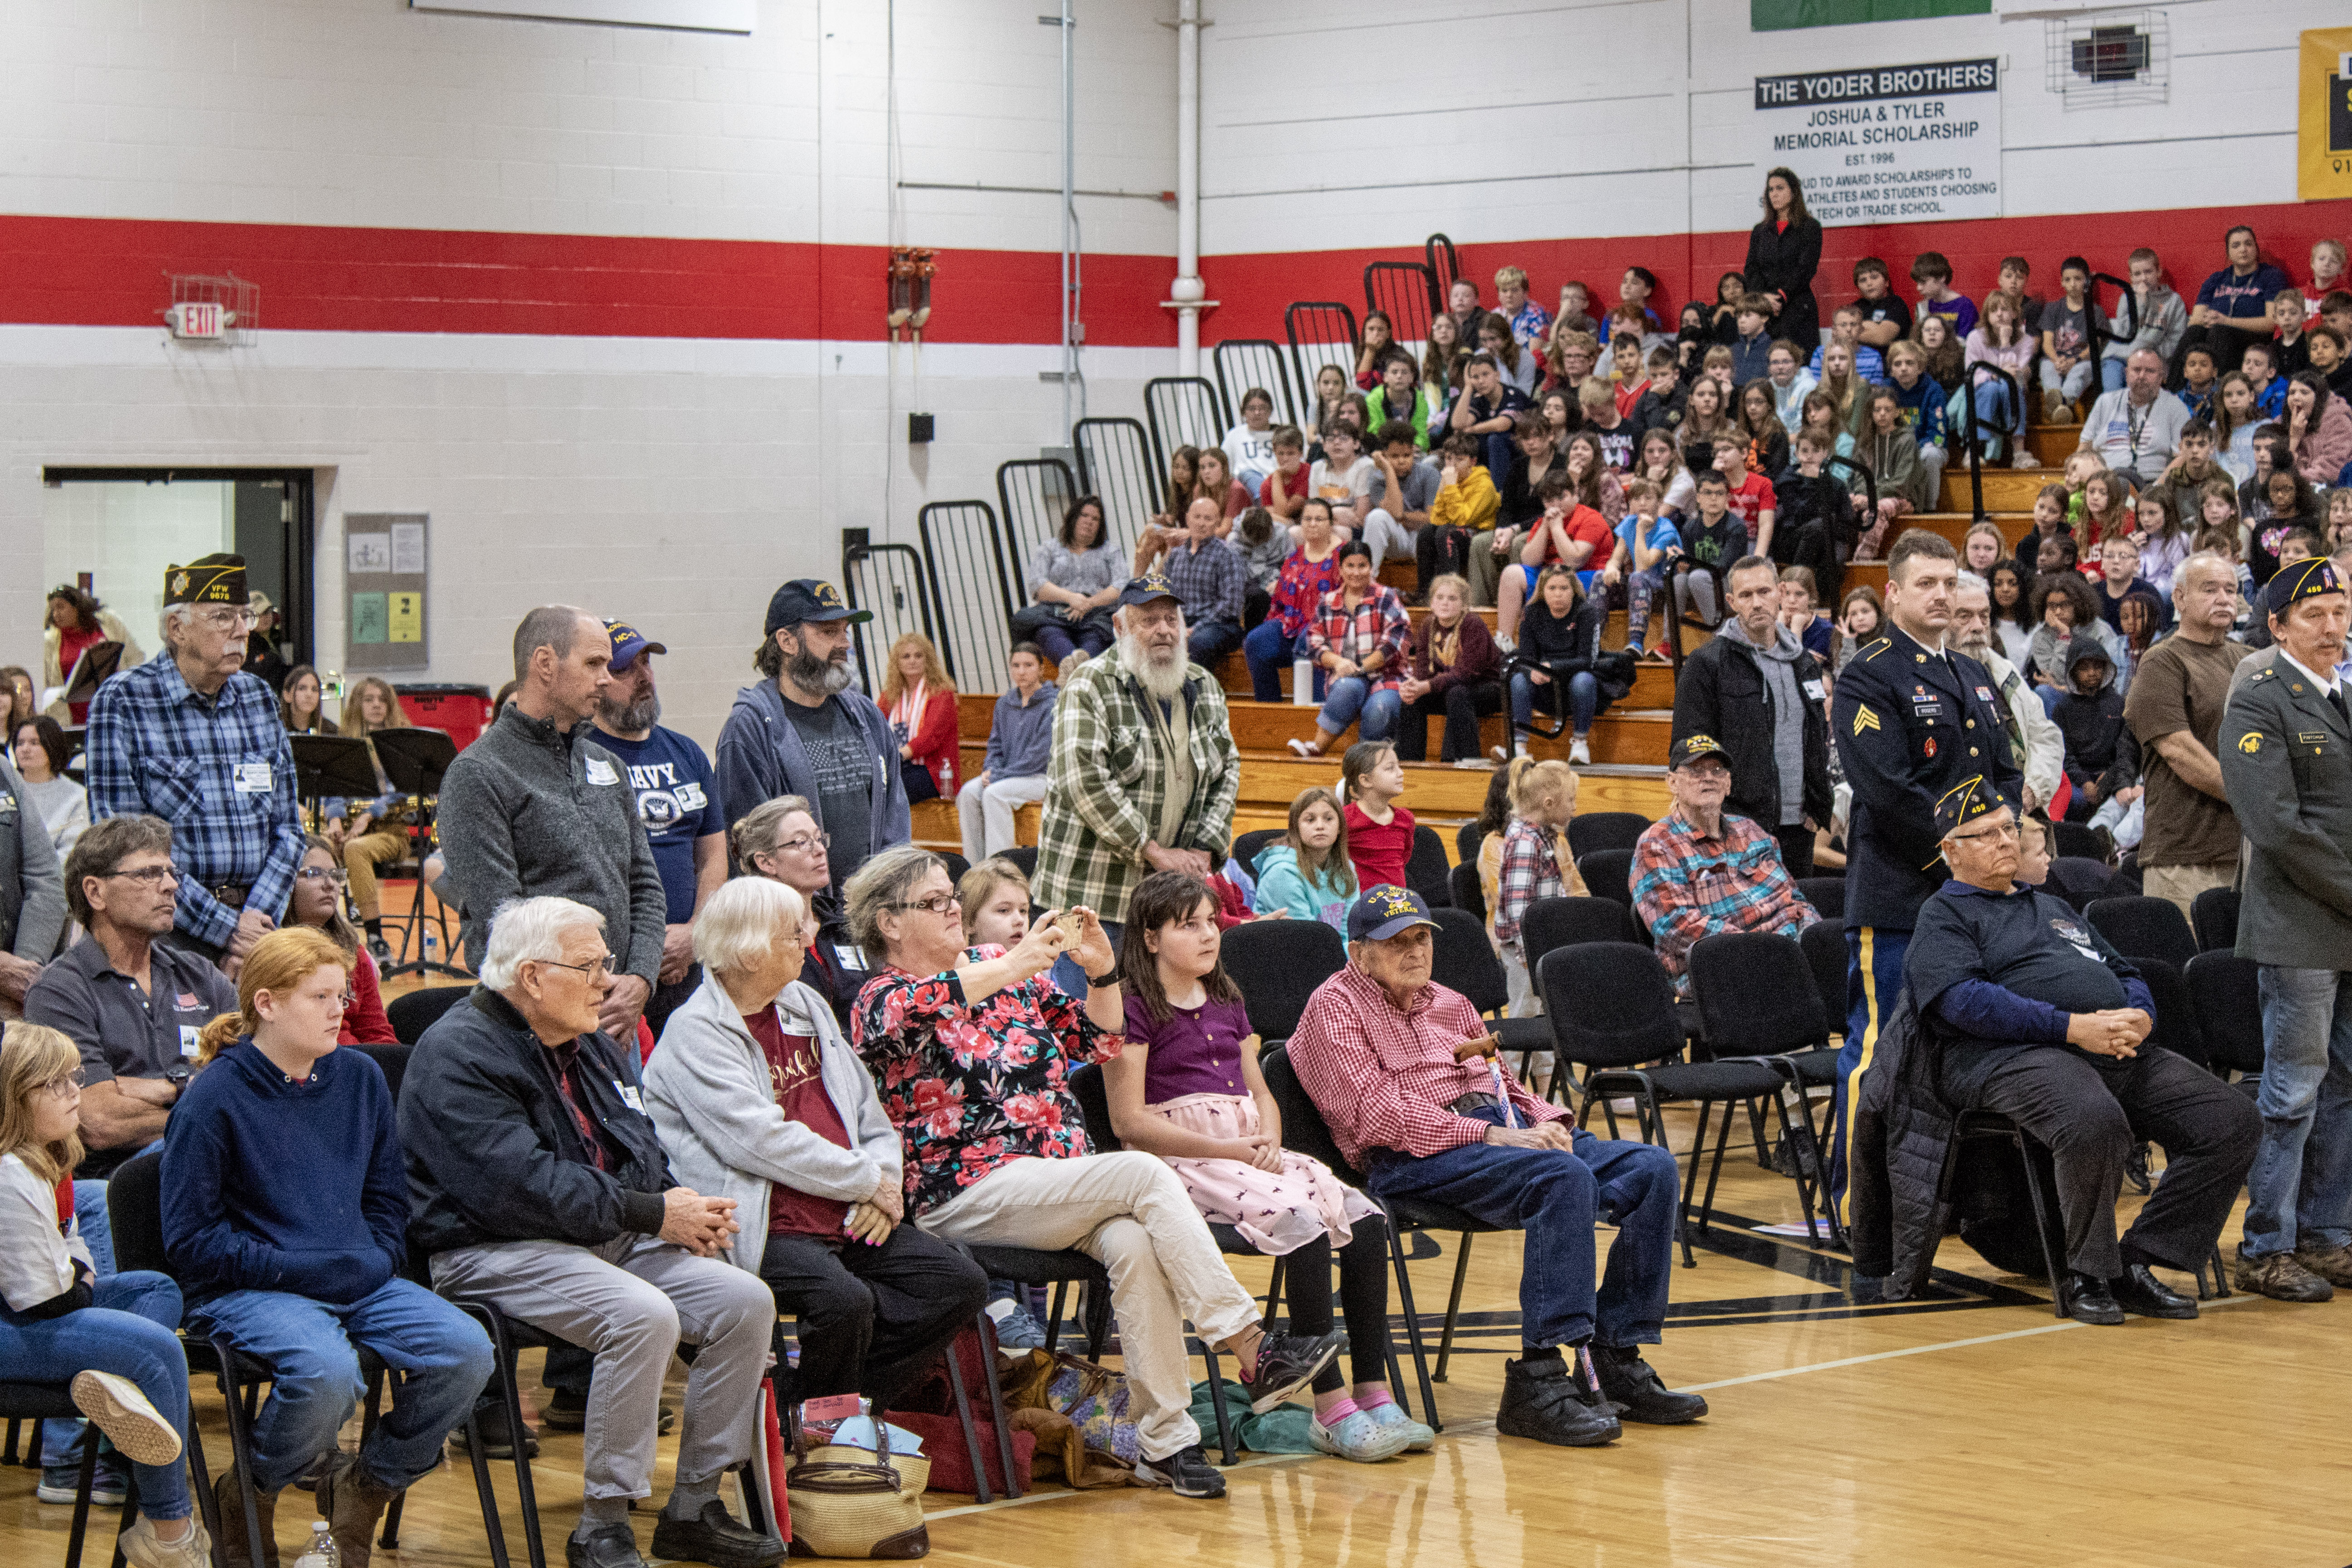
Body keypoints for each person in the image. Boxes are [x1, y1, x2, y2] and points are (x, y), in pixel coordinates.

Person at [844, 845, 1342, 1499]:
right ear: (889, 923)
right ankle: (1248, 1344)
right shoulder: (881, 999)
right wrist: (1022, 959)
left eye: (950, 897)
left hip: (1060, 1181)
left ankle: (1168, 1444)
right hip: (965, 1189)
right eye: (936, 901)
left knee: (1136, 1243)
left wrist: (1104, 975)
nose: (951, 910)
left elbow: (1097, 1043)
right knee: (1140, 1173)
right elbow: (923, 1009)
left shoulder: (1002, 968)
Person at [402, 896, 785, 1568]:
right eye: (589, 966)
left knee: (744, 1301)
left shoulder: (589, 1046)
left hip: (598, 1235)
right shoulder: (458, 1054)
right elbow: (523, 1188)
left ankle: (695, 1505)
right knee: (642, 1315)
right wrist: (652, 1213)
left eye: (604, 963)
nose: (607, 981)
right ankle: (603, 1524)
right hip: (490, 1247)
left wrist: (679, 1205)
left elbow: (641, 1146)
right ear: (531, 977)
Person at [1289, 885, 1701, 1447]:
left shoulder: (1451, 1003)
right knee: (1564, 1178)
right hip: (1415, 1158)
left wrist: (1547, 1120)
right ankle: (1537, 1378)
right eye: (1395, 943)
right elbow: (1380, 1116)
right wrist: (1496, 1133)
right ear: (1358, 953)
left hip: (1497, 1136)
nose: (1414, 952)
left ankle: (1613, 1356)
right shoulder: (1333, 1008)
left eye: (1420, 939)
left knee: (1651, 1168)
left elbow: (1503, 1085)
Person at [162, 927, 495, 1568]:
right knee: (329, 1372)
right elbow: (192, 1241)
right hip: (248, 1288)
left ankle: (367, 1484)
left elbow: (387, 1202)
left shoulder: (360, 1077)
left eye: (341, 995)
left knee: (467, 1352)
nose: (339, 1010)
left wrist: (374, 1259)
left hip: (355, 1275)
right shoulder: (212, 1100)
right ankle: (251, 1490)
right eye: (319, 997)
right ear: (266, 1003)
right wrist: (308, 1268)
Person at [1904, 783, 2258, 1324]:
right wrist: (2072, 1028)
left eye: (2008, 830)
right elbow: (1964, 1003)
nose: (2005, 842)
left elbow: (2125, 971)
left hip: (2110, 1045)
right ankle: (2088, 1273)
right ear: (1951, 851)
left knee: (2231, 1119)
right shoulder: (1943, 916)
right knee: (2094, 1120)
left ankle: (2139, 1261)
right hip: (2007, 1057)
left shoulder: (2050, 906)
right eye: (1986, 835)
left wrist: (2139, 1016)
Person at [1105, 871, 1420, 1461]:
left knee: (1364, 1217)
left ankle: (1373, 1391)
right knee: (1300, 1219)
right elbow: (1129, 1122)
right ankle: (1329, 1406)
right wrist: (1230, 1150)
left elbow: (1261, 1092)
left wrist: (1270, 1140)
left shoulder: (1226, 1000)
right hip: (1181, 1158)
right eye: (1188, 925)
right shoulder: (1132, 1008)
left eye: (1211, 922)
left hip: (1247, 1149)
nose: (1208, 936)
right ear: (1150, 938)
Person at [643, 875, 987, 1415]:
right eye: (791, 933)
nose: (808, 941)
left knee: (957, 1283)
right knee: (843, 1303)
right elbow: (758, 1142)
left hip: (847, 1208)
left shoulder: (803, 1002)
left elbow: (864, 1108)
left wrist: (883, 1182)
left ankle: (820, 1410)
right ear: (749, 951)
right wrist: (866, 1180)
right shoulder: (696, 1031)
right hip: (762, 1223)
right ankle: (825, 1424)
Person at [1829, 531, 2021, 1219]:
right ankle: (1857, 1203)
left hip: (1974, 898)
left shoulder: (1973, 673)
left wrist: (2004, 842)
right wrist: (1970, 850)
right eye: (1927, 584)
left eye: (1951, 582)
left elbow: (2006, 770)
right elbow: (1887, 787)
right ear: (1894, 594)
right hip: (1903, 891)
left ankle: (1952, 1202)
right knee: (1879, 1046)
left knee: (1969, 1046)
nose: (1942, 595)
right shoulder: (1869, 673)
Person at [0, 1022, 209, 1568]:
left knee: (153, 1288)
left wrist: (81, 1276)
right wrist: (82, 1278)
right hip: (12, 1323)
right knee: (155, 1351)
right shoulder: (8, 1174)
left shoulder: (44, 1156)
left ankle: (116, 1399)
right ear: (14, 1098)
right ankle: (169, 1533)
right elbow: (47, 1298)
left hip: (34, 1306)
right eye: (56, 1085)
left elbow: (73, 1256)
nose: (76, 1092)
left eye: (75, 1078)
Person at [2216, 557, 2352, 1301]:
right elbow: (2274, 826)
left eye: (2338, 610)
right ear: (2275, 625)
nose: (2331, 626)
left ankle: (2326, 1235)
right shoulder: (2259, 698)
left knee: (2345, 1087)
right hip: (2297, 924)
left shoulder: (2342, 694)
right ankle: (2264, 1242)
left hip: (2343, 925)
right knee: (2292, 1090)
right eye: (2313, 615)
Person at [437, 607, 665, 1042]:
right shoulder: (479, 774)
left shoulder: (608, 765)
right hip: (533, 1027)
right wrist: (583, 990)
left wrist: (639, 978)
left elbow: (646, 885)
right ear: (544, 663)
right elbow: (503, 919)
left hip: (615, 1013)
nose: (606, 678)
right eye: (594, 663)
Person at [85, 554, 305, 971]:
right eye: (224, 617)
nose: (243, 630)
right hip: (167, 934)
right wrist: (227, 929)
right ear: (177, 629)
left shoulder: (258, 698)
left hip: (262, 927)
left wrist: (254, 927)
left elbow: (289, 829)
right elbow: (122, 842)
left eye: (245, 616)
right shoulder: (125, 701)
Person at [26, 816, 236, 1178]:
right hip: (117, 1184)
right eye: (148, 874)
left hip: (215, 1170)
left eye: (171, 872)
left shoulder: (200, 974)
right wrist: (208, 1110)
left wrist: (167, 1087)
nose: (170, 885)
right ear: (95, 892)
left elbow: (254, 1082)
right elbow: (99, 1120)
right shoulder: (59, 992)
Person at [1032, 575, 1240, 941]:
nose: (1164, 630)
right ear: (1120, 625)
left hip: (1166, 901)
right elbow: (1084, 781)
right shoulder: (1088, 684)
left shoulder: (1205, 686)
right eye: (1149, 620)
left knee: (1150, 1001)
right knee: (1075, 1000)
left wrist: (1204, 847)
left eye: (1171, 619)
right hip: (1081, 901)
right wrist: (1152, 850)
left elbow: (1227, 770)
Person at [716, 579, 907, 901]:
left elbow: (895, 817)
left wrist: (888, 893)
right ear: (787, 641)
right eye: (829, 632)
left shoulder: (866, 715)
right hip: (796, 921)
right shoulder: (750, 728)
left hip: (870, 912)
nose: (845, 643)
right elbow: (748, 844)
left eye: (845, 631)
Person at [1670, 556, 1829, 877]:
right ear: (1731, 602)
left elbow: (1818, 736)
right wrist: (1714, 815)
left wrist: (1816, 807)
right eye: (1745, 595)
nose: (1757, 603)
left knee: (1799, 919)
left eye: (1764, 591)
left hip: (1799, 826)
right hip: (1736, 827)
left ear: (1781, 593)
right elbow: (1689, 748)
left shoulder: (1805, 664)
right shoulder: (1707, 664)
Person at [1631, 735, 1819, 992]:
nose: (1708, 777)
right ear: (1672, 783)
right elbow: (1679, 928)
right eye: (1696, 771)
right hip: (1717, 972)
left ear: (1728, 784)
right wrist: (1766, 953)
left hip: (1787, 955)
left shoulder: (1751, 831)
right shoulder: (1657, 844)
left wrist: (1812, 938)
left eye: (1718, 771)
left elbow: (1795, 900)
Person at [731, 795, 864, 1032]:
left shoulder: (845, 922)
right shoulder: (752, 938)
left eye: (819, 839)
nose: (821, 850)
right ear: (766, 862)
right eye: (802, 842)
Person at [1950, 574, 2065, 819]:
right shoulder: (1927, 675)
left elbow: (2046, 737)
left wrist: (2032, 791)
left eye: (1984, 615)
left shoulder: (2004, 671)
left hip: (2025, 817)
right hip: (1964, 825)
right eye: (1964, 616)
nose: (1979, 626)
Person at [318, 677, 412, 963]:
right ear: (358, 704)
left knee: (354, 850)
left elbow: (405, 792)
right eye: (369, 699)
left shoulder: (402, 742)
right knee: (314, 850)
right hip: (347, 829)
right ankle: (321, 933)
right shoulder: (346, 743)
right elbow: (333, 789)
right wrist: (335, 820)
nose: (376, 705)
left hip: (390, 832)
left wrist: (369, 816)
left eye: (382, 699)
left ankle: (375, 937)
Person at [1287, 543, 1408, 760]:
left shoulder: (1386, 597)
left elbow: (1395, 641)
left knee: (1380, 707)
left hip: (1387, 676)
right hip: (1345, 676)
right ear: (1340, 570)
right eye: (1350, 566)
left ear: (1371, 568)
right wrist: (1337, 663)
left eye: (1362, 566)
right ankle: (1317, 749)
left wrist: (1361, 668)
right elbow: (1313, 641)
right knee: (1346, 689)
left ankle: (1366, 763)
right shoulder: (1328, 601)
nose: (1356, 572)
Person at [286, 835, 395, 1045]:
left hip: (360, 1063)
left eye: (335, 875)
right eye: (314, 874)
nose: (329, 885)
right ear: (287, 882)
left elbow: (376, 1030)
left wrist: (387, 1066)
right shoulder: (274, 952)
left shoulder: (352, 950)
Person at [1491, 759, 1579, 1016]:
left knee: (1545, 1011)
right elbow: (1519, 905)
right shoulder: (1525, 842)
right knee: (1526, 1012)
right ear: (1549, 804)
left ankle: (1547, 1059)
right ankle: (1517, 1059)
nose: (1575, 808)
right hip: (1525, 949)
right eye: (1571, 800)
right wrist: (1525, 951)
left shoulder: (1541, 836)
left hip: (1540, 941)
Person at [956, 642, 1056, 865]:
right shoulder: (1004, 703)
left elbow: (1037, 757)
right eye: (1016, 665)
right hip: (1006, 776)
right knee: (968, 793)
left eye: (1029, 665)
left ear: (1041, 669)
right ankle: (974, 869)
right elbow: (995, 746)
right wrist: (990, 771)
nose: (1021, 671)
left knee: (995, 794)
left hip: (1040, 777)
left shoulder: (1052, 704)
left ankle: (999, 868)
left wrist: (997, 776)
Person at [1242, 497, 1344, 700]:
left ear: (1331, 524)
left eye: (1319, 519)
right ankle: (1270, 709)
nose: (1313, 524)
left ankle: (1310, 712)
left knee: (1306, 643)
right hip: (1291, 625)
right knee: (1256, 641)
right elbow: (1280, 601)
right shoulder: (1294, 556)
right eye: (1307, 519)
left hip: (1329, 630)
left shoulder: (1342, 556)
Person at [1394, 573, 1501, 766]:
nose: (1445, 603)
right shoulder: (1428, 625)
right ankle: (1408, 763)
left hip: (1489, 688)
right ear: (1432, 603)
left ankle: (1467, 761)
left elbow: (1465, 674)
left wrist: (1425, 686)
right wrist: (1414, 687)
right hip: (1451, 689)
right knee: (1413, 699)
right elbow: (1422, 672)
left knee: (1457, 693)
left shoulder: (1473, 624)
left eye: (1453, 599)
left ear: (1464, 605)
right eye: (1440, 598)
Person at [2174, 224, 2295, 378]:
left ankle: (2222, 392)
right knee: (2194, 333)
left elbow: (2272, 323)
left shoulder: (2271, 276)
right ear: (2229, 253)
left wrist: (2226, 321)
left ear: (2256, 249)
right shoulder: (2216, 279)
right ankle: (2174, 392)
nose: (2243, 249)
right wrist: (2209, 320)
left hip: (2254, 338)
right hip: (2216, 336)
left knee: (2220, 331)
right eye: (2236, 246)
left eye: (2248, 244)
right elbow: (2196, 320)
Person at [1023, 495, 1125, 674]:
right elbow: (1037, 584)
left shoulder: (1111, 551)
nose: (1090, 522)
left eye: (1096, 519)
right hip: (1056, 613)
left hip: (1097, 614)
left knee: (1100, 634)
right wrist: (1072, 598)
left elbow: (1121, 585)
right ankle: (1074, 665)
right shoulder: (1050, 548)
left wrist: (1089, 603)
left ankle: (1075, 667)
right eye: (1084, 516)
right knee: (1048, 632)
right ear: (1073, 518)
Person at [1157, 496, 1250, 669]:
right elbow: (1165, 596)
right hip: (1182, 622)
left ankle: (1197, 694)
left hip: (1220, 625)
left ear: (1218, 523)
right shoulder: (1176, 555)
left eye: (1208, 519)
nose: (1201, 523)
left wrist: (1193, 629)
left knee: (1196, 643)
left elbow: (1229, 607)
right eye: (1197, 517)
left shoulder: (1228, 556)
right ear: (1187, 519)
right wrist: (1173, 625)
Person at [2077, 350, 2190, 487]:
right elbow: (2084, 449)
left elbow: (2182, 457)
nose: (2142, 376)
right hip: (2105, 484)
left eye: (2150, 371)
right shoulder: (2105, 402)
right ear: (2126, 374)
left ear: (2161, 377)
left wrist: (2156, 489)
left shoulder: (2175, 407)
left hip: (2153, 485)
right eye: (2136, 370)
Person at [1251, 786, 1356, 930]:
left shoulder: (1347, 868)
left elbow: (1349, 931)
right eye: (1310, 820)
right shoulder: (1281, 873)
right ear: (1296, 828)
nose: (1320, 826)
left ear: (1340, 827)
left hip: (1333, 950)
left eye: (1329, 819)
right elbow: (1307, 938)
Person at [1743, 165, 1820, 352]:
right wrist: (1763, 298)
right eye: (1771, 189)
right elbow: (1751, 269)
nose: (1774, 194)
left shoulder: (1810, 227)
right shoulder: (1760, 231)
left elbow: (1805, 269)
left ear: (1793, 192)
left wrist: (1779, 297)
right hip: (1765, 310)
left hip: (1797, 308)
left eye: (1780, 188)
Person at [41, 584, 142, 726]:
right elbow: (46, 685)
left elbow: (135, 657)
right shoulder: (50, 640)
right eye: (53, 609)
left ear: (76, 606)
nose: (56, 614)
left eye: (61, 607)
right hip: (72, 718)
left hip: (113, 710)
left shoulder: (108, 623)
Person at [879, 633, 958, 806]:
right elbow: (876, 728)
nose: (912, 661)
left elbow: (931, 738)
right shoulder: (889, 695)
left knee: (887, 791)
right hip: (898, 766)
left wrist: (898, 756)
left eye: (918, 656)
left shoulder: (942, 694)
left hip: (933, 772)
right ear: (897, 663)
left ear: (928, 660)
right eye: (906, 656)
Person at [2100, 246, 2187, 391]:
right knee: (2112, 385)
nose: (2143, 278)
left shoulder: (2173, 301)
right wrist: (2141, 303)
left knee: (2140, 389)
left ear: (2158, 272)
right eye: (2138, 274)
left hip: (2152, 359)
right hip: (2121, 357)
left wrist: (2153, 352)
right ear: (2131, 277)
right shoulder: (2127, 297)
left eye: (2148, 272)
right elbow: (2123, 333)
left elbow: (2177, 339)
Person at [1338, 739, 1414, 894]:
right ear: (1366, 780)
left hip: (1399, 904)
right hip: (1361, 905)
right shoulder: (1344, 819)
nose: (1401, 773)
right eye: (1390, 768)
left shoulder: (1405, 819)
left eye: (1399, 767)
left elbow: (1403, 860)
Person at [12, 714, 88, 860]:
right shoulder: (7, 789)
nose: (25, 749)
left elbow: (71, 854)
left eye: (35, 743)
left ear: (52, 746)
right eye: (20, 743)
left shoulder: (77, 797)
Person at [2285, 370, 2352, 484]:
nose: (2296, 397)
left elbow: (2330, 469)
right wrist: (2294, 438)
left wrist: (2292, 483)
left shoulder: (2338, 421)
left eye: (2304, 392)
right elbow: (2270, 468)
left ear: (2319, 398)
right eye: (2292, 392)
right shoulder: (2278, 423)